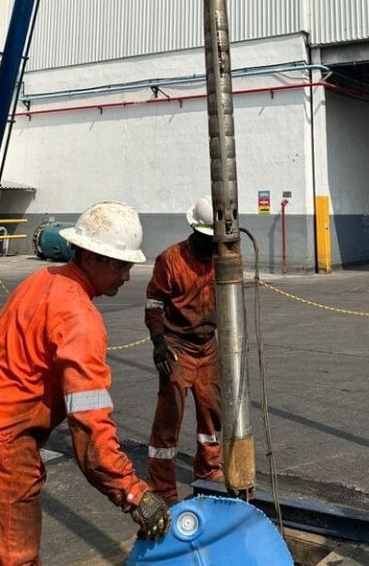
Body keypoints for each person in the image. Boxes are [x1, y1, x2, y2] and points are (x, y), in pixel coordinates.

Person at [0, 201, 170, 566]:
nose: (126, 276)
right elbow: (90, 427)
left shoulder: (43, 281)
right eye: (120, 265)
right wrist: (134, 493)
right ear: (90, 257)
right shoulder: (79, 319)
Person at [144, 195, 224, 504]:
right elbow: (153, 303)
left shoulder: (220, 257)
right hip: (177, 346)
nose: (210, 245)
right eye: (206, 239)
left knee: (211, 414)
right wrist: (159, 343)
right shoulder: (171, 259)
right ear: (195, 231)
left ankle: (209, 473)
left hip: (208, 347)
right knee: (169, 416)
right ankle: (163, 487)